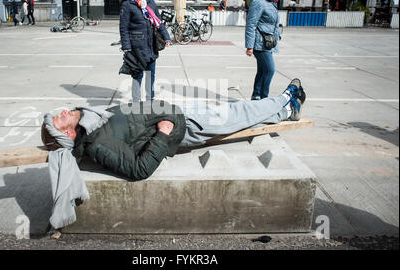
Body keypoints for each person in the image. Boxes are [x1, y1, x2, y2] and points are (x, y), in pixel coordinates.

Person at [41, 78, 305, 229]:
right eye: (59, 119)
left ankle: (283, 112)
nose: (63, 112)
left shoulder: (94, 120)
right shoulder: (97, 144)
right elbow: (139, 170)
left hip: (176, 111)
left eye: (58, 112)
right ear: (68, 134)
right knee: (240, 113)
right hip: (183, 126)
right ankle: (286, 98)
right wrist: (164, 133)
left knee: (238, 116)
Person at [119, 0, 171, 102]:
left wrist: (166, 37)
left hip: (151, 46)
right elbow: (124, 28)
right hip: (136, 48)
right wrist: (127, 47)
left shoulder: (150, 3)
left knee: (150, 76)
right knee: (137, 76)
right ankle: (136, 101)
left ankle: (150, 99)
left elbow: (158, 22)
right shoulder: (127, 6)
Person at [245, 0, 282, 101]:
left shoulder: (271, 3)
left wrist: (277, 37)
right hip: (259, 43)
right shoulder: (259, 3)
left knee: (262, 71)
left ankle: (256, 96)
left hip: (268, 43)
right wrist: (249, 46)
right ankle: (264, 97)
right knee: (270, 70)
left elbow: (273, 25)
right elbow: (251, 25)